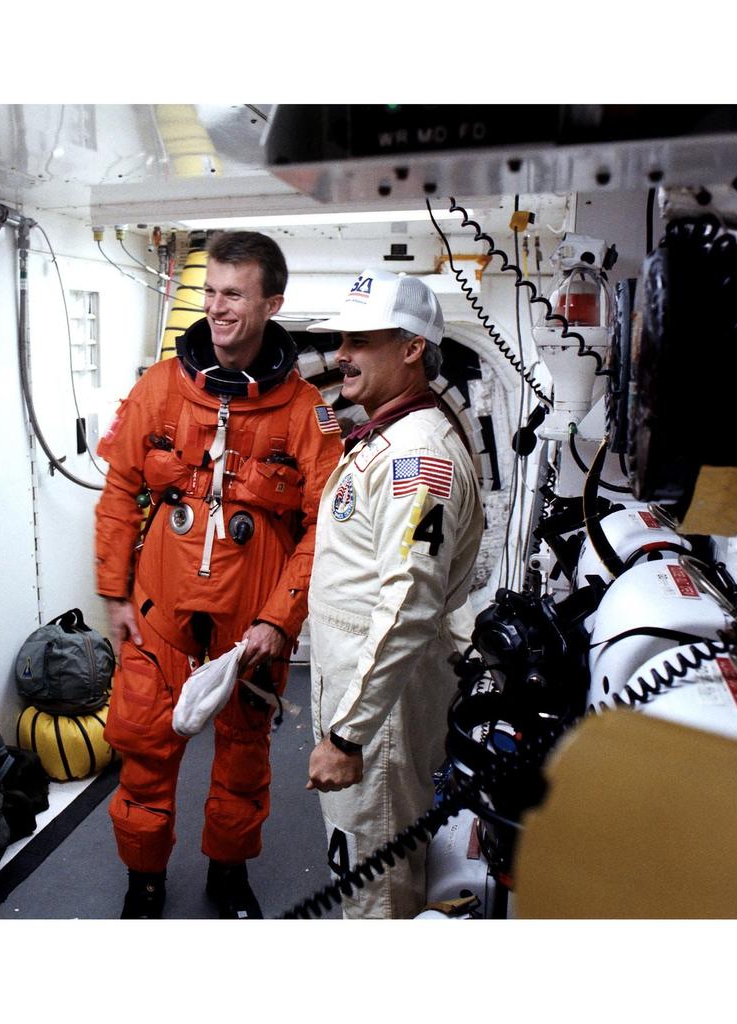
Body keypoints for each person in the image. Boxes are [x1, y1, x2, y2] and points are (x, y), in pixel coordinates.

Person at [94, 231, 343, 918]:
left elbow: (327, 527)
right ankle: (144, 881)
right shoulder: (158, 389)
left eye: (233, 293)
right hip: (159, 611)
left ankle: (227, 875)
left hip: (250, 626)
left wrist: (278, 619)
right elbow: (120, 488)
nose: (216, 307)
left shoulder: (305, 413)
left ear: (271, 302)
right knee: (144, 751)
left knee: (242, 760)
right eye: (210, 291)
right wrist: (113, 590)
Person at [304, 268, 484, 919]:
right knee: (358, 863)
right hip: (360, 684)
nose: (343, 355)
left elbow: (409, 603)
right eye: (342, 340)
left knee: (374, 881)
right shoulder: (385, 435)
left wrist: (349, 736)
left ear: (412, 348)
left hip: (376, 710)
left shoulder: (418, 459)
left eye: (362, 340)